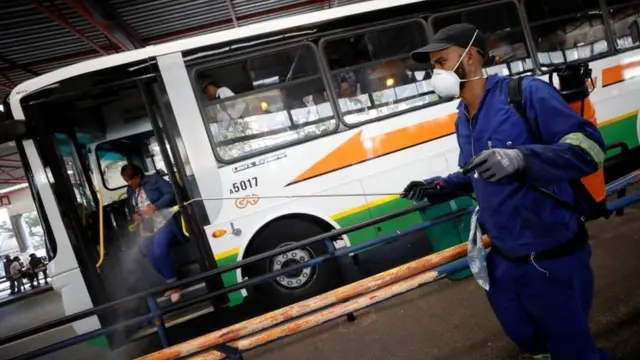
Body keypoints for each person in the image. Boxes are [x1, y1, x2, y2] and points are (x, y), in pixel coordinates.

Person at [404, 24, 609, 360]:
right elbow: (478, 173)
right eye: (433, 66)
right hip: (504, 261)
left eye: (441, 62)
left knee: (573, 351)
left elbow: (589, 149)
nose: (435, 73)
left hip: (551, 257)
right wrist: (440, 185)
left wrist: (521, 157)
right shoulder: (462, 119)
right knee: (530, 341)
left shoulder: (525, 94)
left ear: (469, 57)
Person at [121, 164, 184, 303]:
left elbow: (171, 193)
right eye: (126, 181)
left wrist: (154, 206)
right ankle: (171, 280)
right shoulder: (130, 190)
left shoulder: (154, 180)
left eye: (130, 180)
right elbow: (131, 208)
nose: (129, 184)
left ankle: (174, 287)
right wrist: (134, 216)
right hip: (147, 226)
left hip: (164, 221)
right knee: (150, 254)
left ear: (138, 176)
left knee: (159, 251)